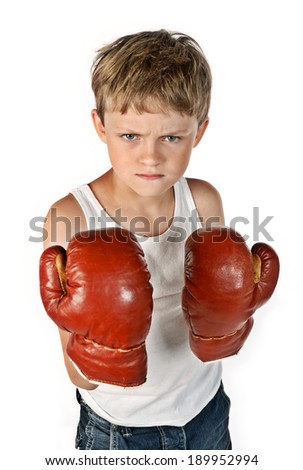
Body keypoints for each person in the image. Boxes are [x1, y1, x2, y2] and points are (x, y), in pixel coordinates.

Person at [42, 29, 232, 450]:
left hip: (207, 410)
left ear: (198, 132)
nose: (151, 156)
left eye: (171, 137)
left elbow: (221, 320)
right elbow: (77, 372)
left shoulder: (202, 201)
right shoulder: (72, 218)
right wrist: (107, 342)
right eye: (130, 135)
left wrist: (231, 315)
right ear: (100, 125)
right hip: (118, 431)